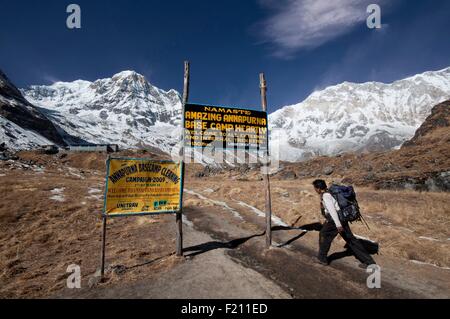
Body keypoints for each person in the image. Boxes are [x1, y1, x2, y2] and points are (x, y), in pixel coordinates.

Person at [312, 179, 376, 268]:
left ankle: (322, 258)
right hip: (342, 219)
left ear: (318, 188)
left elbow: (333, 211)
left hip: (336, 221)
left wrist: (338, 225)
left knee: (324, 234)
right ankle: (369, 262)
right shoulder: (329, 193)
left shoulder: (326, 196)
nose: (315, 190)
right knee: (351, 240)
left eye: (315, 188)